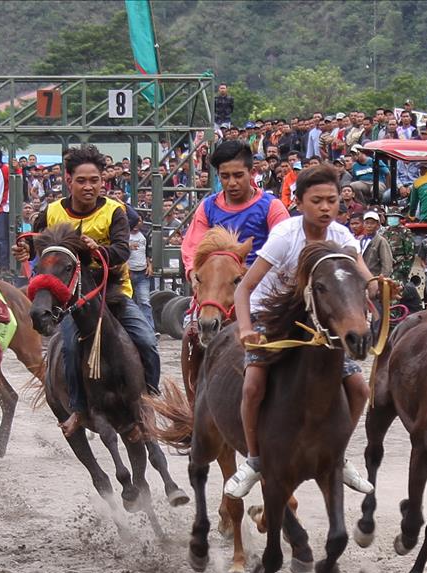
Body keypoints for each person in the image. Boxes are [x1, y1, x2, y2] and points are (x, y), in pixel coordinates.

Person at [224, 165, 376, 499]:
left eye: (332, 201)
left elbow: (364, 276)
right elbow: (244, 289)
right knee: (253, 385)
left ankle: (337, 456)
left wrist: (378, 286)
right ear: (300, 202)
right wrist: (246, 329)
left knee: (360, 389)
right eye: (317, 200)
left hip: (319, 323)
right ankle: (253, 461)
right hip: (274, 317)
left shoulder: (342, 237)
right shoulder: (284, 236)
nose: (325, 208)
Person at [13, 145, 161, 438]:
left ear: (102, 181)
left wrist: (99, 250)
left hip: (113, 292)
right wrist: (25, 250)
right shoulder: (52, 212)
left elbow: (120, 251)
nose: (89, 186)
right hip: (70, 301)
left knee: (146, 340)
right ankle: (79, 410)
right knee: (67, 348)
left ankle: (148, 404)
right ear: (69, 180)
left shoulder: (114, 211)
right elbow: (36, 244)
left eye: (95, 180)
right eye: (82, 180)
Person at [181, 141, 290, 280]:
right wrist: (194, 275)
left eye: (238, 175)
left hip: (262, 287)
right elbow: (193, 249)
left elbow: (285, 249)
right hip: (217, 286)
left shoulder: (272, 206)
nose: (232, 183)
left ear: (251, 173)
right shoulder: (207, 207)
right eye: (225, 176)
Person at [128, 215, 154, 327]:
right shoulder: (123, 235)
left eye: (139, 220)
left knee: (145, 302)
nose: (137, 224)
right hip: (128, 272)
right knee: (128, 302)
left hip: (142, 272)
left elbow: (147, 251)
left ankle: (149, 328)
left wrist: (149, 265)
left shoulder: (144, 234)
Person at [381, 209, 415, 286]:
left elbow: (410, 252)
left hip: (400, 266)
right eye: (390, 217)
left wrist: (405, 268)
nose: (392, 219)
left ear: (399, 219)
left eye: (394, 217)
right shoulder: (384, 232)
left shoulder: (405, 232)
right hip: (386, 266)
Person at [359, 210, 392, 277]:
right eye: (367, 223)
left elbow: (387, 263)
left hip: (374, 278)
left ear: (378, 225)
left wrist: (382, 278)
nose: (369, 226)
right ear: (363, 224)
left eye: (372, 223)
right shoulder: (360, 240)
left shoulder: (381, 241)